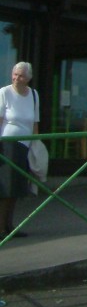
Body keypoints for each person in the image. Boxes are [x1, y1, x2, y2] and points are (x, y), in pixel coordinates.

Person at [0, 61, 40, 238]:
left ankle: (9, 226)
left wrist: (36, 144)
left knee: (16, 188)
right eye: (15, 74)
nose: (16, 78)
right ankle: (1, 228)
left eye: (21, 75)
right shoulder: (4, 92)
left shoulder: (33, 95)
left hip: (25, 146)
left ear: (28, 78)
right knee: (5, 188)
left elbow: (35, 123)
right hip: (8, 145)